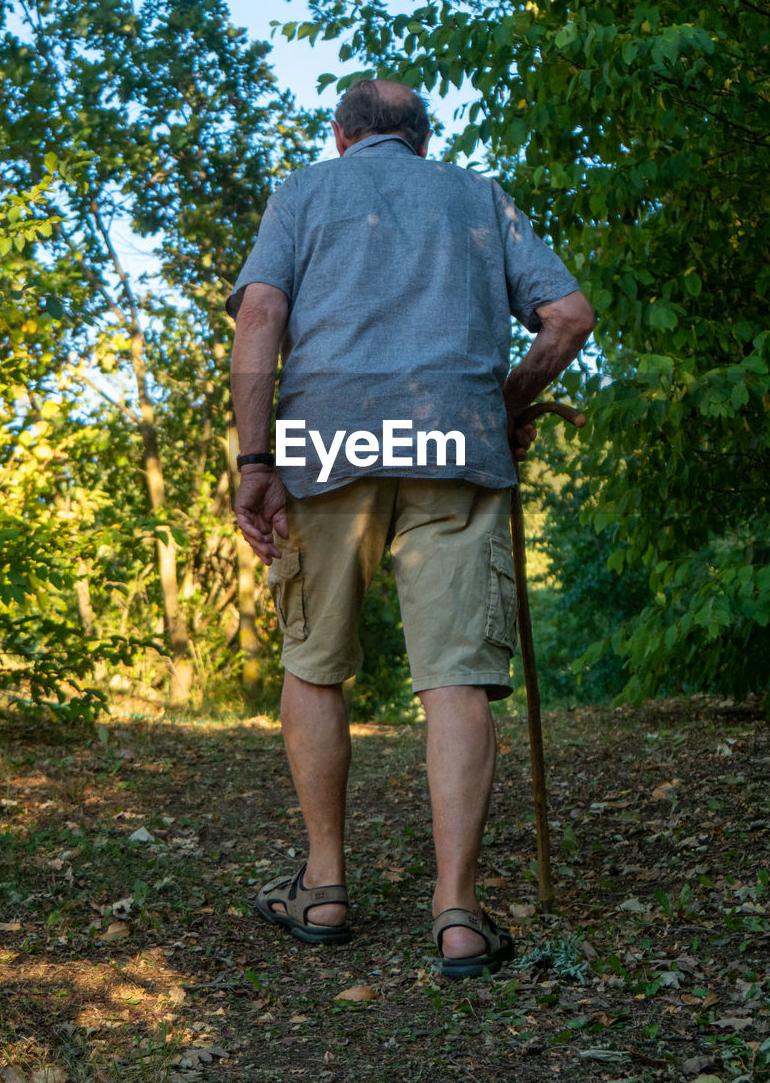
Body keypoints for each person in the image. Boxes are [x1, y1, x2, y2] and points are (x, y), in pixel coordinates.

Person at [227, 79, 593, 978]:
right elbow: (569, 318)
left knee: (315, 665)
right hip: (454, 445)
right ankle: (458, 915)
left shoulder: (304, 190)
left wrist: (254, 460)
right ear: (423, 139)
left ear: (342, 136)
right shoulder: (477, 196)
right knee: (457, 677)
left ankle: (323, 889)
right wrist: (506, 403)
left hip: (327, 441)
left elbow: (261, 314)